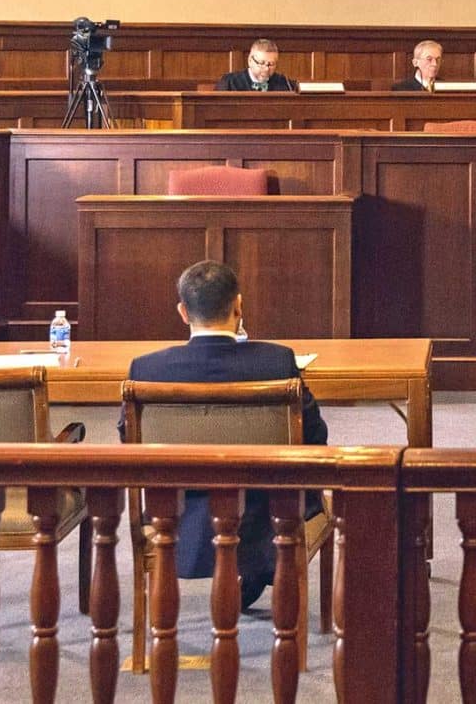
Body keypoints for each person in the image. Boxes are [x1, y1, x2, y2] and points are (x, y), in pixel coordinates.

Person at [122, 260, 328, 610]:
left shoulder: (147, 369)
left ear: (183, 313)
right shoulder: (276, 361)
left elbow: (130, 440)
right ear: (239, 306)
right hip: (266, 519)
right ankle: (257, 574)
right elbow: (314, 434)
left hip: (176, 517)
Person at [216, 39, 296, 92]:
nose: (266, 69)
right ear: (250, 60)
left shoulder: (285, 83)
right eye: (261, 63)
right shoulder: (229, 82)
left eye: (271, 64)